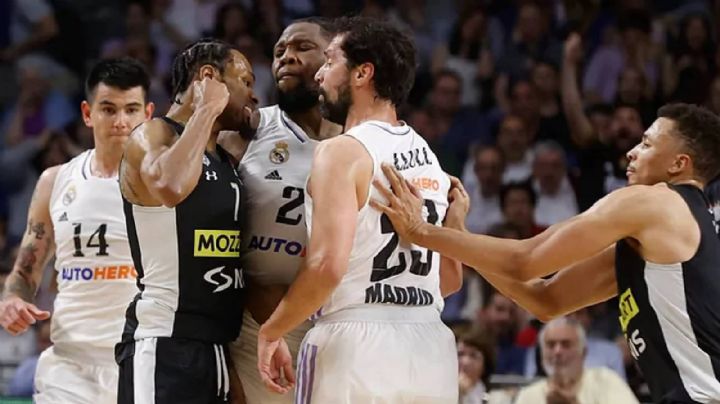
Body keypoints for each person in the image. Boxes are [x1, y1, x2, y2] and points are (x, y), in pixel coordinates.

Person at [373, 103, 720, 403]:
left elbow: (524, 261)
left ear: (678, 164)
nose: (631, 152)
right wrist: (458, 237)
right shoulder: (673, 238)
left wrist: (422, 232)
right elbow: (546, 300)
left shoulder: (653, 201)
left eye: (646, 143)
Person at [256, 17, 462, 403]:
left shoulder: (341, 152)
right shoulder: (431, 160)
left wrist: (272, 330)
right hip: (430, 344)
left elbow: (326, 267)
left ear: (362, 73)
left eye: (330, 61)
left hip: (354, 343)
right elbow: (449, 282)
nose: (319, 74)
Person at [0, 57, 154, 403]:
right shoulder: (55, 181)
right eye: (108, 109)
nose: (120, 121)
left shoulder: (166, 185)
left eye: (131, 109)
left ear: (148, 114)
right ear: (87, 113)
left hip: (141, 361)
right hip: (70, 365)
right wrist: (12, 300)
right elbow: (25, 272)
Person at [116, 38, 259, 404]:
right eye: (245, 81)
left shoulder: (224, 160)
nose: (253, 96)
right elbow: (169, 185)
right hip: (165, 346)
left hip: (216, 348)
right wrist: (207, 109)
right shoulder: (152, 135)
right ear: (208, 77)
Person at [222, 17, 343, 404]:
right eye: (279, 52)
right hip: (257, 323)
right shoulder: (248, 131)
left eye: (301, 48)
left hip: (334, 324)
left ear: (333, 58)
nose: (286, 58)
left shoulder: (359, 138)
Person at [514, 318, 638, 404]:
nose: (557, 352)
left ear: (583, 352)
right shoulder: (528, 396)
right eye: (551, 345)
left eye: (566, 344)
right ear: (541, 354)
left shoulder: (604, 380)